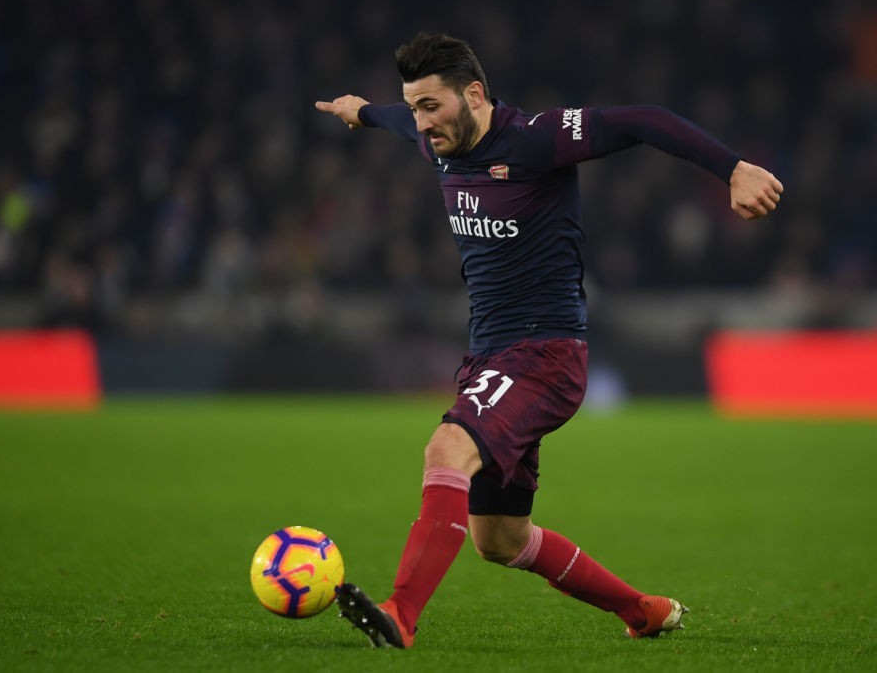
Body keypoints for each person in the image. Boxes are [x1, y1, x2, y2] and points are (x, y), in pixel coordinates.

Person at [315, 32, 783, 649]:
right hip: (492, 356)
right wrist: (362, 112)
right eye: (415, 107)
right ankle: (640, 609)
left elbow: (644, 120)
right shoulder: (435, 140)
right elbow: (395, 119)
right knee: (499, 538)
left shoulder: (534, 139)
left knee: (446, 450)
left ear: (475, 95)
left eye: (431, 106)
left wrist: (734, 168)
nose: (421, 122)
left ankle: (400, 614)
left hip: (545, 354)